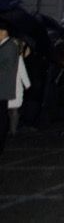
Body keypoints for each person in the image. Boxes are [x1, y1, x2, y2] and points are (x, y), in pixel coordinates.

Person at [0, 18, 18, 155]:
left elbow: (6, 66)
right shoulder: (4, 46)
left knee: (2, 117)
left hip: (3, 87)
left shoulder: (10, 46)